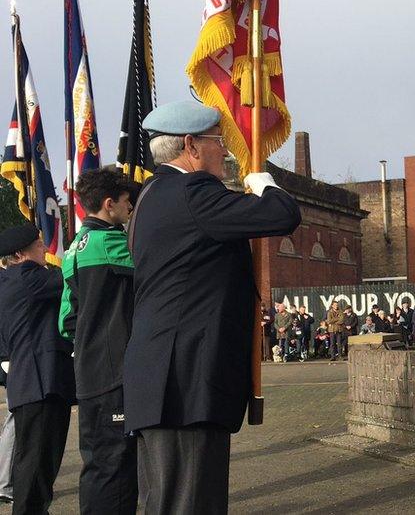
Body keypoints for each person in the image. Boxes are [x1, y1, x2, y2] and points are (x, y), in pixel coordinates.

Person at [122, 100, 301, 513]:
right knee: (190, 503)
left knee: (165, 501)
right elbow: (282, 214)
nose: (227, 151)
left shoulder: (151, 195)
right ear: (191, 146)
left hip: (162, 378)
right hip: (184, 381)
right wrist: (264, 183)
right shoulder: (192, 192)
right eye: (218, 141)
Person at [58, 168, 140, 514]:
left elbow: (66, 321)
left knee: (95, 463)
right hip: (115, 371)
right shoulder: (116, 244)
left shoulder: (72, 251)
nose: (130, 209)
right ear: (109, 205)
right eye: (126, 203)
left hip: (88, 372)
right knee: (117, 467)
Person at [0, 224, 76, 514]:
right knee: (36, 471)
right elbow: (72, 277)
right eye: (38, 245)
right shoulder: (28, 278)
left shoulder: (8, 279)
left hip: (29, 384)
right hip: (41, 382)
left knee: (34, 467)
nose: (45, 249)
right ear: (20, 254)